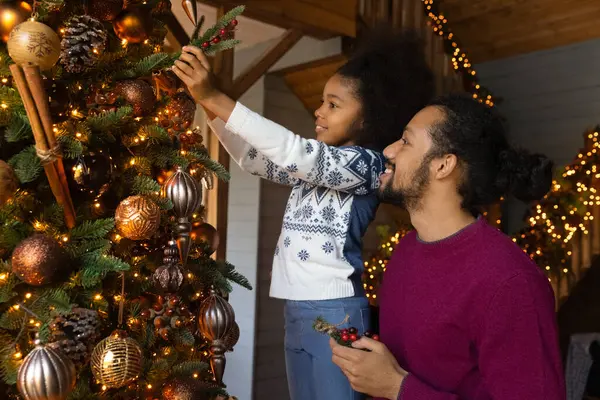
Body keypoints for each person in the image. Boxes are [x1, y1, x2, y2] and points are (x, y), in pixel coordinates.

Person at [172, 29, 434, 400]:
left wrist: (216, 96)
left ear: (368, 118)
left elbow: (298, 154)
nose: (319, 110)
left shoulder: (367, 165)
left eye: (333, 104)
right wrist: (207, 106)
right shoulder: (313, 167)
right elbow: (252, 158)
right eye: (321, 102)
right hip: (295, 309)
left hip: (337, 313)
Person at [330, 94, 566, 400]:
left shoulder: (510, 281)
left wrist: (397, 388)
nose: (389, 150)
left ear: (443, 165)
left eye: (406, 141)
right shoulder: (406, 250)